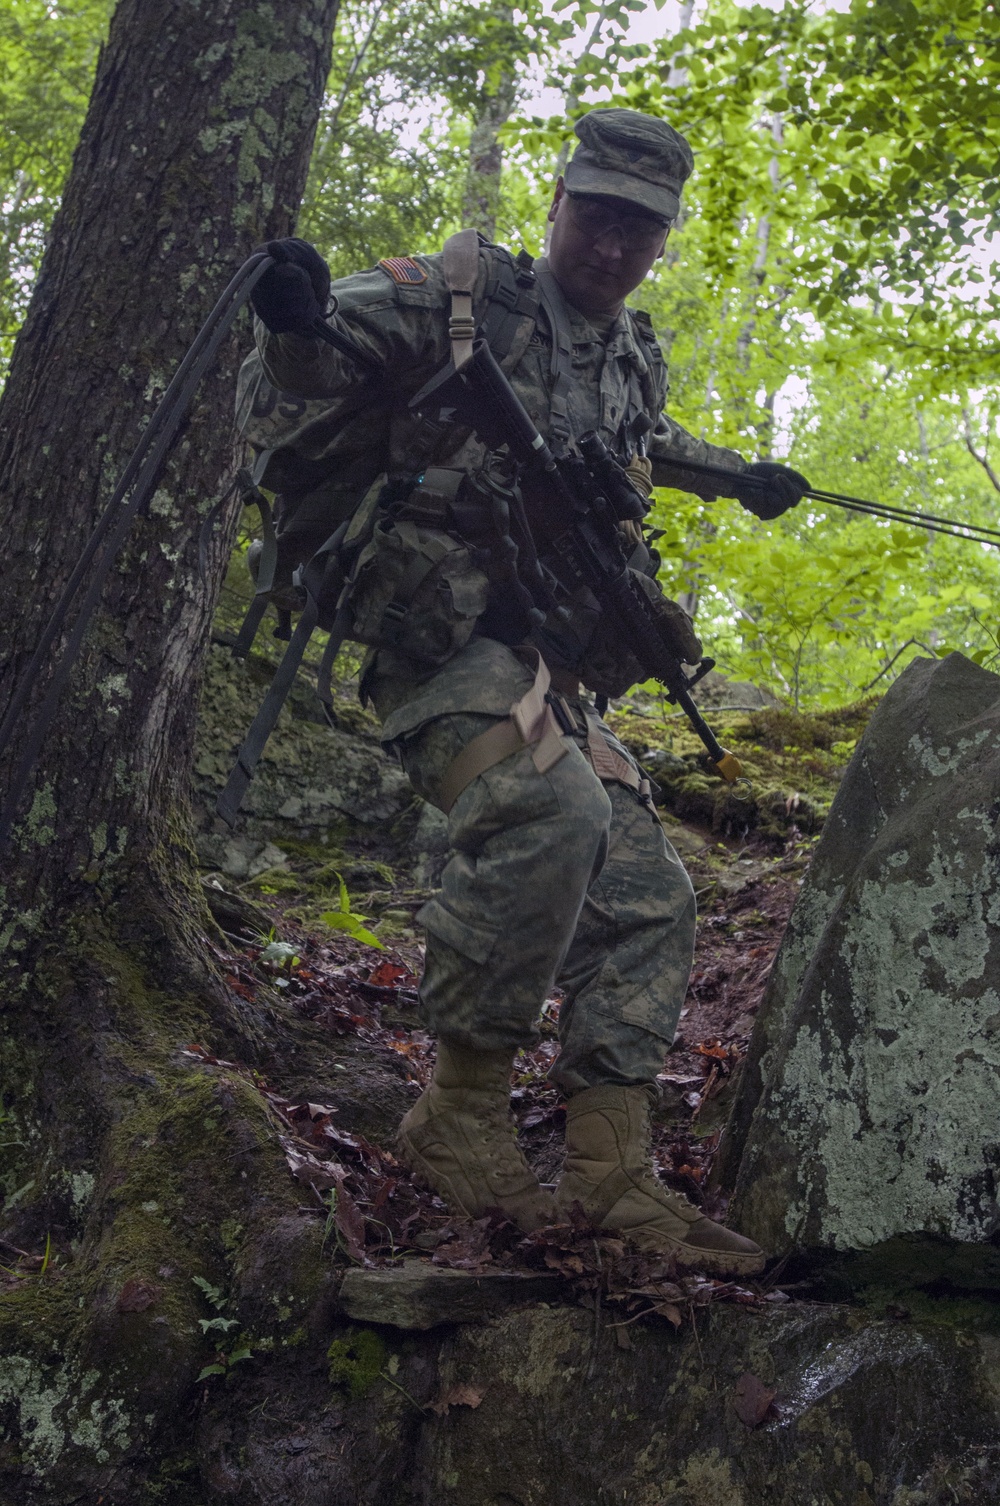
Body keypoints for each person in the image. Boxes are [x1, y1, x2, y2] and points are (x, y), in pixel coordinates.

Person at [238, 109, 807, 1277]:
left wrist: (735, 477)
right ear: (555, 206)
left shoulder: (629, 354)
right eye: (595, 216)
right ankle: (458, 1113)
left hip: (555, 658)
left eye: (637, 230)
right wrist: (290, 321)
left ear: (661, 241)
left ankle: (610, 1172)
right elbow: (317, 363)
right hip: (434, 641)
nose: (611, 245)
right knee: (556, 813)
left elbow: (639, 440)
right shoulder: (459, 296)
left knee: (650, 893)